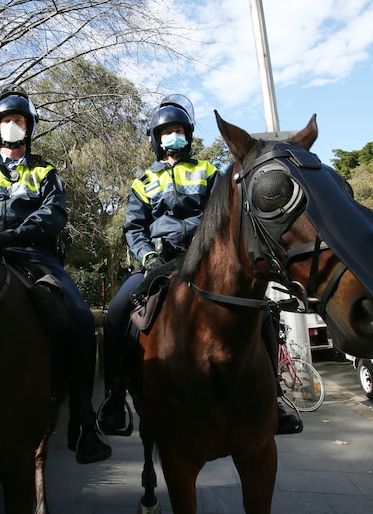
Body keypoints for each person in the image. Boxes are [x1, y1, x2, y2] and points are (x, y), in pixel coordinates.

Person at [97, 94, 302, 437]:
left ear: (188, 135)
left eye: (179, 130)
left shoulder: (209, 172)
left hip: (206, 259)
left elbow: (226, 215)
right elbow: (133, 227)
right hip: (158, 263)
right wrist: (147, 257)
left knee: (262, 312)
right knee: (118, 312)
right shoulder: (143, 182)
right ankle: (115, 400)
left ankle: (275, 399)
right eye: (166, 131)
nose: (172, 136)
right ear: (156, 138)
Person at [0, 84, 111, 464]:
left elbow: (54, 214)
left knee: (82, 319)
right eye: (5, 120)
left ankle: (84, 421)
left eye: (18, 120)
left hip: (32, 254)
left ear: (29, 126)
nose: (11, 126)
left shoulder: (45, 171)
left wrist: (12, 235)